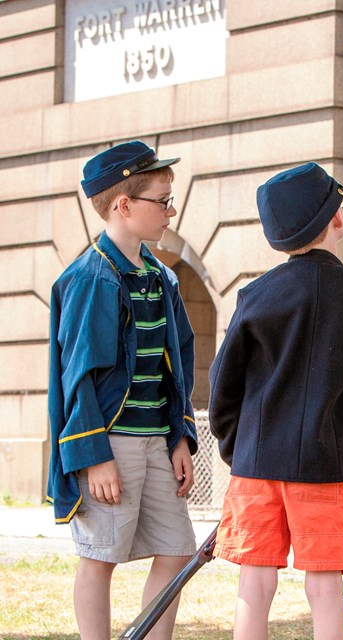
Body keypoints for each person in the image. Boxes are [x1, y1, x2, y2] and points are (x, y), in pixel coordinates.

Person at [208, 162, 343, 640]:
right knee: (325, 585)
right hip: (323, 463)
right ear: (336, 219)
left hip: (256, 461)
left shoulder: (256, 295)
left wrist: (238, 447)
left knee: (255, 581)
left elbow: (223, 384)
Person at [46, 140, 198, 640]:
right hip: (110, 444)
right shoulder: (93, 278)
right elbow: (79, 377)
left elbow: (176, 368)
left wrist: (180, 437)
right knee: (100, 557)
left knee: (178, 550)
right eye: (162, 199)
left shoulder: (162, 279)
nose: (170, 210)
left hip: (156, 439)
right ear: (124, 205)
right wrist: (94, 455)